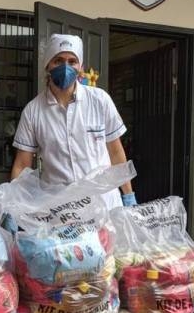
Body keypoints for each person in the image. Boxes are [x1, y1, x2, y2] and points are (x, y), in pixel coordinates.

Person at [10, 34, 135, 209]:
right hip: (61, 210)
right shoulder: (33, 111)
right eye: (58, 60)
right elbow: (22, 165)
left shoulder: (100, 100)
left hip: (103, 204)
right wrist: (13, 206)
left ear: (80, 67)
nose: (65, 67)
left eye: (72, 61)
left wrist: (129, 195)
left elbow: (115, 153)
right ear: (48, 65)